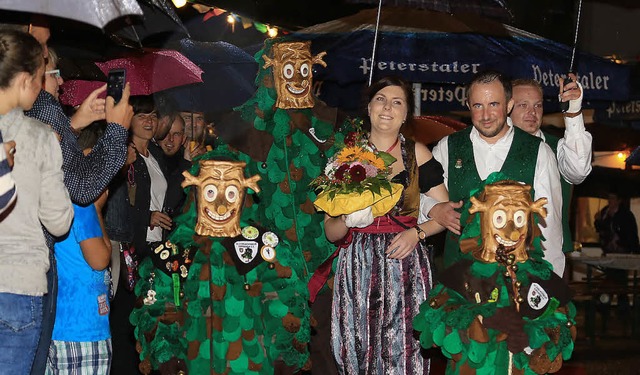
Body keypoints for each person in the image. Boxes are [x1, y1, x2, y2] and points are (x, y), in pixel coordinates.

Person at [323, 76, 447, 374]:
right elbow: (330, 232)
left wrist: (416, 233)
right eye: (380, 99)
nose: (387, 107)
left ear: (406, 114)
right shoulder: (344, 158)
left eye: (397, 102)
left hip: (404, 263)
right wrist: (348, 218)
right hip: (357, 264)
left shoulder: (418, 154)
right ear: (368, 108)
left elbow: (445, 215)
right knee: (356, 347)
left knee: (404, 350)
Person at [423, 70, 564, 276]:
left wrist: (551, 283)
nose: (486, 115)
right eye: (478, 106)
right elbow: (419, 198)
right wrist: (432, 208)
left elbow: (550, 224)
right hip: (458, 277)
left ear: (508, 105)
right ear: (469, 106)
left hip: (517, 279)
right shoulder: (448, 147)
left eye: (494, 105)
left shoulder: (539, 152)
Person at [0, 29, 73, 375]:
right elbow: (58, 222)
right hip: (18, 287)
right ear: (26, 81)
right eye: (41, 78)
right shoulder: (41, 138)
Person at [110, 96, 170, 375]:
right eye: (142, 115)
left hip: (158, 247)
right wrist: (146, 217)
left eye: (154, 116)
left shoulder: (156, 154)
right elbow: (115, 205)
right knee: (127, 318)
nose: (149, 121)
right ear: (129, 119)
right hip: (133, 248)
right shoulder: (124, 156)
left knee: (151, 317)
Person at [511, 75, 592, 254]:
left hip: (551, 256)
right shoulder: (492, 146)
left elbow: (579, 172)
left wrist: (573, 113)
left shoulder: (560, 147)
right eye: (523, 105)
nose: (532, 112)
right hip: (503, 255)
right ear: (508, 107)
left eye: (537, 105)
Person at [47, 189, 112, 374]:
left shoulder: (57, 198)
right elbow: (100, 260)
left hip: (58, 325)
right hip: (83, 328)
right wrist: (97, 209)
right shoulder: (82, 206)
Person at [158, 114, 190, 218]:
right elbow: (168, 201)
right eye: (166, 133)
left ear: (183, 138)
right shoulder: (151, 159)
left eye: (176, 134)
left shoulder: (187, 160)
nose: (170, 139)